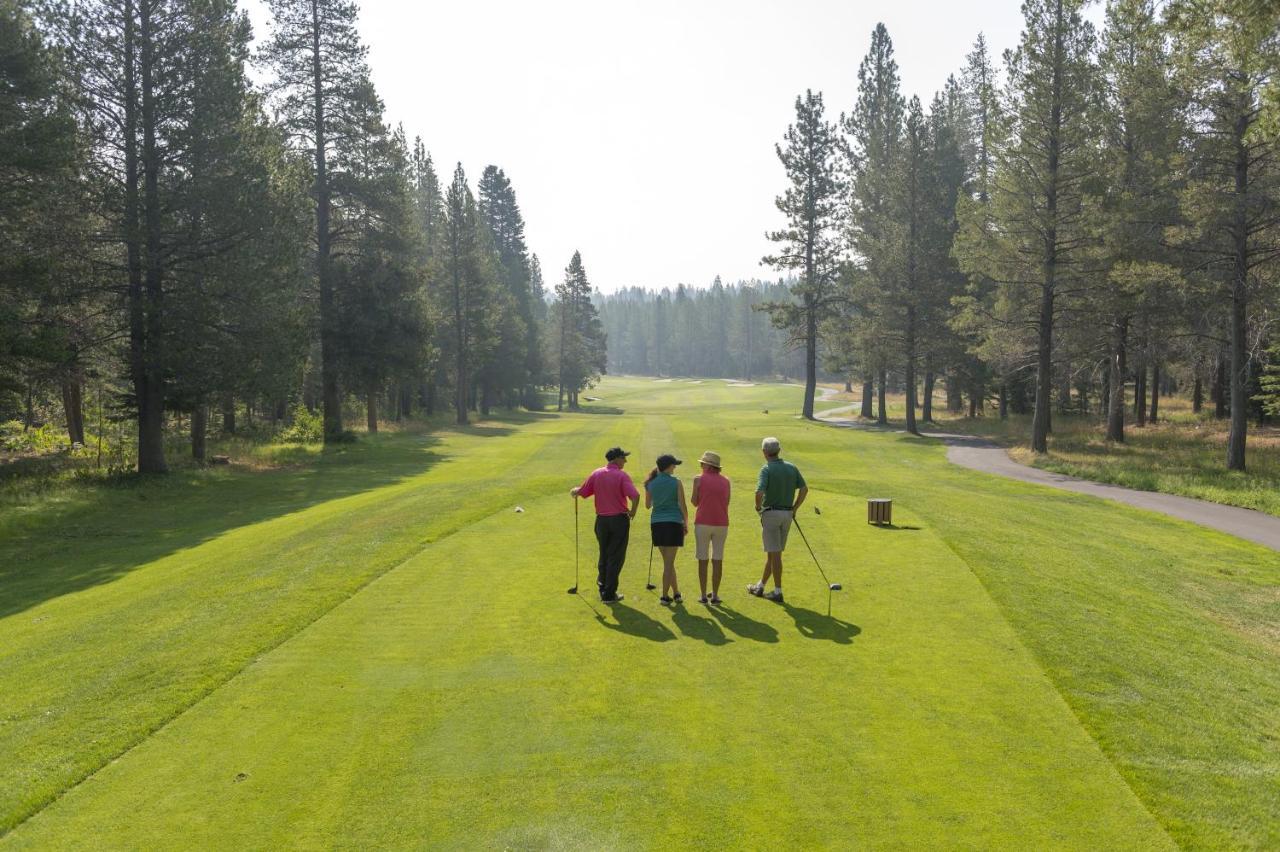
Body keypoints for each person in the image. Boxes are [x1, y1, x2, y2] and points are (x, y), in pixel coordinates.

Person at [571, 447, 640, 603]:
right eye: (623, 458)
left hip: (601, 521)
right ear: (616, 459)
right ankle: (609, 594)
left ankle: (602, 586)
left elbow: (582, 492)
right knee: (615, 557)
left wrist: (574, 490)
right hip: (618, 521)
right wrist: (633, 512)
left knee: (604, 553)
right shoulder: (622, 475)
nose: (625, 461)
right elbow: (635, 496)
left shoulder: (597, 473)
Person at [748, 436, 807, 602]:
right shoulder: (791, 467)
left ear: (764, 452)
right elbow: (804, 489)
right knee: (774, 554)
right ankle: (759, 586)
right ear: (778, 451)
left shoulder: (766, 469)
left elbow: (759, 493)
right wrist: (794, 508)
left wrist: (758, 508)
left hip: (771, 514)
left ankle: (778, 591)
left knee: (775, 555)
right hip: (787, 514)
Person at [644, 453, 688, 605]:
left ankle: (676, 593)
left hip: (657, 524)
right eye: (674, 465)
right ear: (668, 467)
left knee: (668, 562)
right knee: (668, 563)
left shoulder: (651, 483)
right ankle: (664, 596)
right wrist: (686, 523)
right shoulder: (676, 482)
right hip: (673, 523)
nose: (675, 467)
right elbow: (683, 506)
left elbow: (648, 505)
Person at [690, 450, 730, 604]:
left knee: (703, 559)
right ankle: (715, 595)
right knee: (718, 559)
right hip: (721, 523)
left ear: (706, 465)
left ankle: (702, 595)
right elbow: (726, 502)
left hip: (703, 523)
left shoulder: (698, 479)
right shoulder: (726, 481)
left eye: (702, 463)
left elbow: (694, 502)